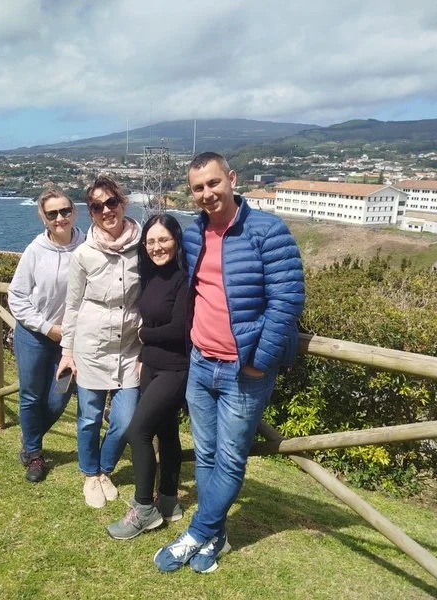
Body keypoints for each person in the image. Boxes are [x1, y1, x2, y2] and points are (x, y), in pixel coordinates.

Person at [153, 152, 305, 573]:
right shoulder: (193, 235)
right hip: (201, 363)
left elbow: (287, 300)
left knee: (230, 458)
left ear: (232, 179)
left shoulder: (268, 231)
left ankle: (196, 533)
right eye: (198, 188)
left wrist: (259, 361)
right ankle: (215, 535)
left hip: (244, 370)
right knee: (205, 454)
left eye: (213, 183)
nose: (207, 193)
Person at [57, 175, 142, 508]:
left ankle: (105, 468)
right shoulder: (83, 254)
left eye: (111, 202)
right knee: (90, 417)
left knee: (125, 419)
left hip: (130, 348)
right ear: (91, 213)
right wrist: (67, 351)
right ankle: (91, 474)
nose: (106, 210)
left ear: (122, 202)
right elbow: (72, 305)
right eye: (97, 206)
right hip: (90, 347)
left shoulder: (143, 247)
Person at [106, 214, 188, 539]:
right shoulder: (151, 275)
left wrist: (143, 335)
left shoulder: (184, 279)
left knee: (137, 431)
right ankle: (168, 500)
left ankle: (144, 509)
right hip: (151, 366)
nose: (157, 247)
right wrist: (143, 353)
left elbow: (180, 329)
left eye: (163, 239)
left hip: (175, 369)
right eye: (151, 241)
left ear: (176, 241)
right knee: (167, 433)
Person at [8, 186, 85, 483]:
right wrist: (46, 327)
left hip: (69, 340)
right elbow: (17, 296)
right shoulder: (35, 250)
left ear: (74, 211)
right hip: (34, 335)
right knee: (30, 395)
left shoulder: (88, 245)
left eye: (65, 211)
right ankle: (35, 454)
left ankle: (29, 441)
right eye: (52, 214)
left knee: (58, 398)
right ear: (43, 217)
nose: (60, 218)